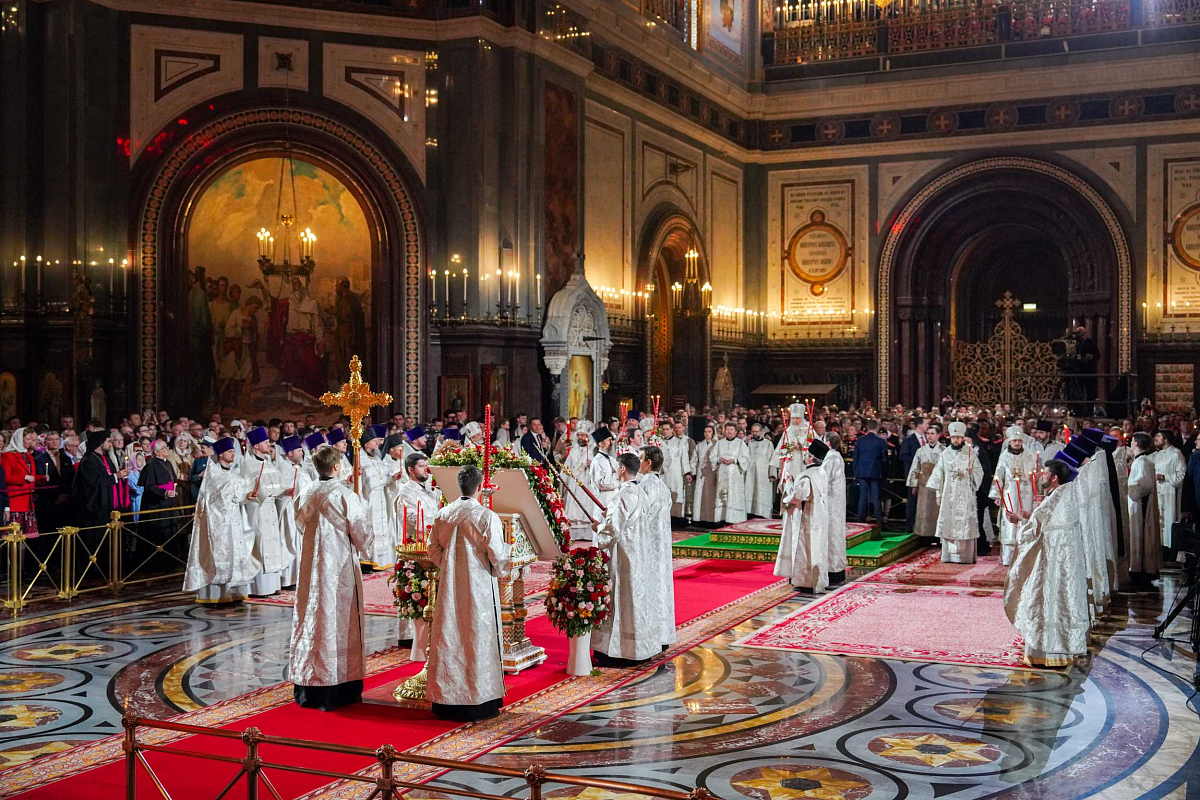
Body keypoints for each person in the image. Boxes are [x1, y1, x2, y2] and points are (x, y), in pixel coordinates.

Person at [290, 444, 375, 711]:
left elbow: (300, 524)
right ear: (337, 466)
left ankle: (310, 683)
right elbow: (362, 535)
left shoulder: (305, 493)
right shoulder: (346, 496)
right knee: (338, 619)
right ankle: (339, 686)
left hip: (311, 568)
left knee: (312, 617)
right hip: (339, 568)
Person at [426, 465, 510, 721]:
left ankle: (447, 701)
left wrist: (449, 566)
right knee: (476, 636)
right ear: (480, 487)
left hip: (450, 587)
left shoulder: (444, 513)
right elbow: (498, 555)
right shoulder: (486, 516)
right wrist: (502, 567)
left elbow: (432, 548)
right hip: (479, 587)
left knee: (450, 634)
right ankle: (478, 700)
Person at [1003, 458, 1090, 667]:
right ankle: (1061, 651)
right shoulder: (1065, 494)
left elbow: (1035, 530)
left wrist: (1018, 520)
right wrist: (1029, 516)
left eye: (1045, 473)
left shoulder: (1056, 498)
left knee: (1044, 601)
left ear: (1054, 478)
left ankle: (1045, 652)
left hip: (1050, 562)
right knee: (1060, 602)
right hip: (1062, 562)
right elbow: (1042, 522)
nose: (1042, 476)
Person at [590, 452, 658, 666]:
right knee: (635, 601)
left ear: (621, 469)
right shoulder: (641, 492)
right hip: (639, 554)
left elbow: (612, 531)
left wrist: (598, 527)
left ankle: (618, 652)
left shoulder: (622, 495)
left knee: (620, 601)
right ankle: (639, 649)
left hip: (623, 557)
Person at [183, 437, 259, 604]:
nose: (233, 454)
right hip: (217, 524)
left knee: (234, 555)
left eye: (233, 451)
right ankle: (214, 596)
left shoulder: (234, 475)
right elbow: (215, 498)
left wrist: (247, 495)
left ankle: (231, 593)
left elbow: (238, 496)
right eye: (230, 451)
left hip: (234, 522)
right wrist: (237, 495)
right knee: (218, 557)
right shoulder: (213, 475)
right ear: (221, 454)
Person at [394, 452, 443, 651]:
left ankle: (432, 632)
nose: (426, 470)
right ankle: (409, 636)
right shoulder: (405, 491)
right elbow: (411, 518)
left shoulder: (430, 489)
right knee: (414, 587)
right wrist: (435, 523)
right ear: (411, 470)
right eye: (422, 467)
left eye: (426, 466)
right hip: (415, 545)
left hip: (432, 543)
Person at [774, 439, 832, 593]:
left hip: (806, 518)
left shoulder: (807, 476)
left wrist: (789, 483)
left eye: (807, 454)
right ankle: (818, 579)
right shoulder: (821, 472)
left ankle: (805, 581)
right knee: (818, 548)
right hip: (819, 516)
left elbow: (798, 496)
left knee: (805, 548)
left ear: (811, 457)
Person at [927, 421, 984, 564]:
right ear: (950, 438)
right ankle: (948, 556)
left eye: (958, 437)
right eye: (953, 438)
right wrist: (938, 495)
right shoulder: (945, 454)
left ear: (962, 438)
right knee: (949, 523)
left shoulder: (971, 453)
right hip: (949, 495)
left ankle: (966, 557)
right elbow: (939, 475)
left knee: (966, 524)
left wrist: (972, 473)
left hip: (966, 496)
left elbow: (979, 472)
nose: (956, 440)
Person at [240, 426, 288, 596]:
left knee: (273, 542)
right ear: (256, 446)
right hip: (258, 509)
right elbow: (245, 488)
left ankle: (272, 585)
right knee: (261, 544)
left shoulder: (268, 462)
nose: (269, 444)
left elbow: (278, 483)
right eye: (265, 442)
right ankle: (259, 588)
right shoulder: (248, 464)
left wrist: (284, 491)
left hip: (271, 508)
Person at [638, 445, 676, 650]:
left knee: (651, 589)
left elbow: (640, 516)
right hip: (662, 545)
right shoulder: (662, 486)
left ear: (648, 463)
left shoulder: (646, 486)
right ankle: (663, 635)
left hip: (649, 545)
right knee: (662, 588)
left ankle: (652, 637)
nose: (638, 463)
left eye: (640, 458)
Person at [989, 425, 1039, 566]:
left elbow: (1034, 474)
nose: (1017, 443)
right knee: (1009, 524)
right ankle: (1008, 558)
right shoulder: (1004, 456)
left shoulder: (1029, 455)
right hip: (1009, 493)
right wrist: (997, 495)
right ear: (1009, 442)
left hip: (1026, 493)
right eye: (1014, 441)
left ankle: (1025, 557)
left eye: (1019, 440)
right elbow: (999, 476)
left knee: (1025, 520)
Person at [72, 430, 130, 532]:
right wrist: (115, 476)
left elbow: (111, 477)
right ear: (100, 442)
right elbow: (92, 483)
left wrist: (121, 476)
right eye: (108, 441)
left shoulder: (106, 458)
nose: (111, 444)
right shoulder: (88, 460)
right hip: (97, 507)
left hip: (110, 504)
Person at [356, 425, 396, 571]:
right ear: (367, 444)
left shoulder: (378, 459)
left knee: (382, 528)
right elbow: (358, 484)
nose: (378, 443)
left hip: (381, 498)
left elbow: (384, 479)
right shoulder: (360, 460)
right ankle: (368, 560)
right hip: (369, 500)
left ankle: (380, 560)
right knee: (371, 528)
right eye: (374, 442)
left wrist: (393, 478)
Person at [1126, 432, 1161, 590]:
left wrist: (1127, 487)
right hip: (1137, 506)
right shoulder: (1140, 461)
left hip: (1140, 508)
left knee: (1141, 538)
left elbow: (1144, 485)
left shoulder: (1142, 462)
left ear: (1136, 444)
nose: (1130, 444)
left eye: (1132, 441)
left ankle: (1140, 572)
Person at [276, 435, 311, 589]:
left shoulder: (300, 469)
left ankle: (299, 577)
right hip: (290, 511)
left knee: (301, 545)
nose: (302, 453)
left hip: (302, 512)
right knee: (290, 543)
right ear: (290, 453)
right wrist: (286, 492)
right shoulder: (284, 469)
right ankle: (288, 579)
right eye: (298, 451)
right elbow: (281, 489)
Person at [2, 427, 46, 536]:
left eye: (32, 439)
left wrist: (41, 478)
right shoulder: (8, 456)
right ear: (19, 439)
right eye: (28, 439)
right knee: (13, 536)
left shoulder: (28, 455)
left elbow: (31, 476)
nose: (30, 442)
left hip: (28, 502)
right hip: (16, 502)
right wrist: (24, 478)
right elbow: (5, 478)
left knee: (26, 537)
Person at [906, 424, 943, 541]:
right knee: (923, 509)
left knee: (936, 510)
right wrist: (914, 485)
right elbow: (915, 468)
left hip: (938, 484)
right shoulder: (921, 450)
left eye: (932, 434)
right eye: (928, 434)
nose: (929, 436)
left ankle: (936, 536)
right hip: (923, 484)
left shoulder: (944, 450)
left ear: (938, 435)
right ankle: (923, 535)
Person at [1150, 430, 1185, 553]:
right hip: (1158, 492)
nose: (1155, 438)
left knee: (1169, 521)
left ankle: (1170, 550)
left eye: (1158, 436)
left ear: (1165, 439)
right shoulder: (1158, 454)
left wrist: (1165, 477)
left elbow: (1181, 475)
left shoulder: (1176, 454)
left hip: (1170, 492)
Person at [34, 431, 73, 533]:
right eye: (51, 440)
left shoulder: (66, 459)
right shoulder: (39, 460)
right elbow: (40, 482)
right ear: (45, 443)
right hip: (48, 502)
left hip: (65, 501)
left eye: (56, 439)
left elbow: (70, 478)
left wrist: (65, 495)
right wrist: (56, 497)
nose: (54, 442)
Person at [711, 422, 749, 524]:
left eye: (731, 429)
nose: (729, 432)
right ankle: (721, 518)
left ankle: (735, 518)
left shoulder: (741, 444)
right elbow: (712, 456)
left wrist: (735, 460)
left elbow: (746, 459)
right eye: (727, 429)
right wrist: (718, 459)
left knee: (734, 494)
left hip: (734, 473)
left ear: (736, 432)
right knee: (721, 495)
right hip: (722, 473)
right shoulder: (719, 443)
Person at [822, 433, 847, 586]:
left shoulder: (830, 459)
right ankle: (836, 568)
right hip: (836, 502)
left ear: (828, 443)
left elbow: (822, 478)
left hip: (831, 502)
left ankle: (832, 570)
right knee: (835, 534)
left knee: (831, 535)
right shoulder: (837, 456)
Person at [852, 419, 888, 525]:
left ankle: (860, 521)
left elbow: (855, 458)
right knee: (876, 498)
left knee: (862, 497)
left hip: (861, 472)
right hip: (876, 472)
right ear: (877, 428)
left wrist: (856, 472)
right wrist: (885, 473)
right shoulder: (881, 441)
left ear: (867, 427)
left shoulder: (860, 440)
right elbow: (885, 460)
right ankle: (879, 522)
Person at [562, 422, 597, 525]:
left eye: (583, 435)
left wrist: (592, 464)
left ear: (588, 436)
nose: (580, 437)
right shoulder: (573, 450)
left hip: (586, 481)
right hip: (573, 481)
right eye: (579, 435)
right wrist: (564, 482)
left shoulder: (593, 450)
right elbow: (567, 467)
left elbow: (600, 466)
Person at [661, 420, 695, 522]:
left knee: (676, 493)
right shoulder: (659, 442)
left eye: (667, 429)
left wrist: (687, 472)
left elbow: (684, 458)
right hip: (662, 473)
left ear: (672, 430)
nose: (665, 431)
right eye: (663, 429)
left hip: (675, 472)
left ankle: (676, 518)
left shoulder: (679, 442)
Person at [743, 423, 774, 519]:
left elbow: (772, 459)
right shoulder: (749, 443)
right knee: (750, 491)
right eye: (753, 432)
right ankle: (750, 513)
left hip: (763, 473)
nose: (755, 433)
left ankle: (762, 513)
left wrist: (772, 474)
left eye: (756, 431)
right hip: (750, 473)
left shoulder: (768, 444)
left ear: (761, 432)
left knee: (762, 493)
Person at [589, 427, 618, 510]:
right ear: (601, 443)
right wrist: (618, 485)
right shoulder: (597, 461)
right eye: (609, 440)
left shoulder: (611, 459)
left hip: (613, 500)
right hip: (603, 501)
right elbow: (600, 485)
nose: (611, 443)